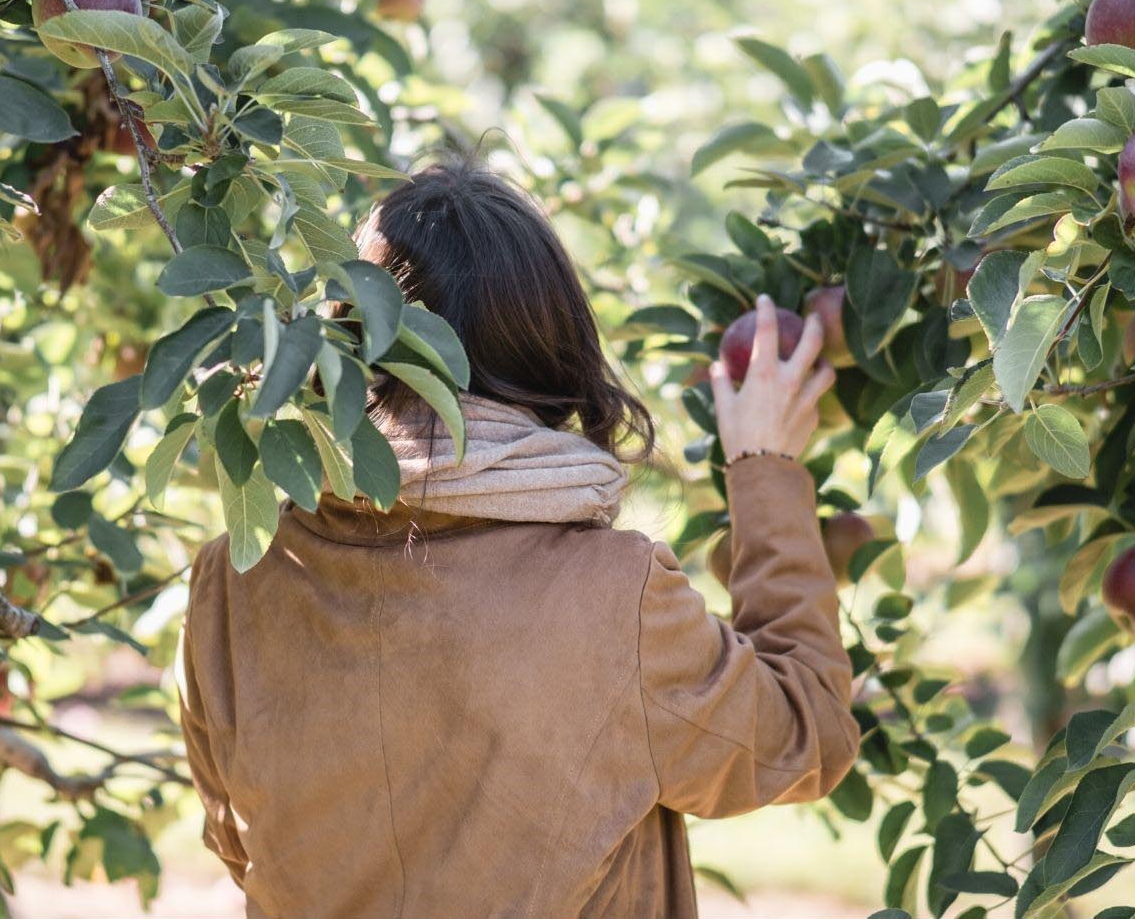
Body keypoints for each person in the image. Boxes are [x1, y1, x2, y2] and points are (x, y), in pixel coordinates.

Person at [174, 160, 860, 918]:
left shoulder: (232, 580)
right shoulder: (613, 598)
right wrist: (765, 467)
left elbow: (243, 844)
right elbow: (807, 734)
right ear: (554, 352)